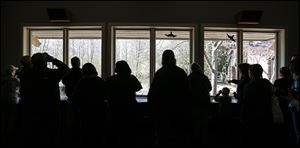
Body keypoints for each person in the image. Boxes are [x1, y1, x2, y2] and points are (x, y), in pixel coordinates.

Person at [19, 52, 69, 146]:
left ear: (32, 62)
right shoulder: (52, 73)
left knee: (34, 138)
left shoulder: (26, 74)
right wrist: (53, 59)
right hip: (51, 111)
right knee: (51, 138)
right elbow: (66, 69)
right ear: (45, 62)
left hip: (32, 111)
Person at [148, 50, 190, 147]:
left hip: (162, 110)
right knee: (177, 137)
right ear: (174, 58)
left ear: (163, 59)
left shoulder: (160, 73)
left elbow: (153, 92)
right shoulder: (181, 72)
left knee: (163, 137)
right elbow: (187, 91)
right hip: (178, 110)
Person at [106, 60, 142, 147]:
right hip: (130, 108)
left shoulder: (111, 79)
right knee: (129, 133)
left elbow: (105, 92)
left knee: (116, 132)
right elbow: (138, 88)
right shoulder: (132, 78)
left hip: (115, 109)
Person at [73, 63, 107, 147]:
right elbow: (106, 95)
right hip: (99, 110)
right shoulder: (100, 81)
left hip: (85, 110)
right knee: (98, 131)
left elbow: (76, 96)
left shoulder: (82, 82)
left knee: (86, 132)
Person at [241, 64, 273, 146]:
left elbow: (246, 103)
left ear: (250, 73)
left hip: (252, 117)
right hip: (267, 114)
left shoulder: (249, 86)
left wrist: (243, 117)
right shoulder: (267, 83)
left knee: (253, 138)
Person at [187, 63, 212, 146]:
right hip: (204, 102)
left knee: (195, 124)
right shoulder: (204, 77)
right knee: (204, 123)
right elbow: (210, 88)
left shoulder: (189, 78)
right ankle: (203, 141)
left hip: (194, 103)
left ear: (191, 69)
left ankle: (195, 141)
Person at [1, 65, 20, 146]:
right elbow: (20, 88)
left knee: (6, 117)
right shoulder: (15, 80)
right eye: (14, 71)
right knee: (12, 118)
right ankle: (11, 137)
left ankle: (5, 135)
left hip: (4, 100)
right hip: (12, 101)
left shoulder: (3, 79)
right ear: (12, 72)